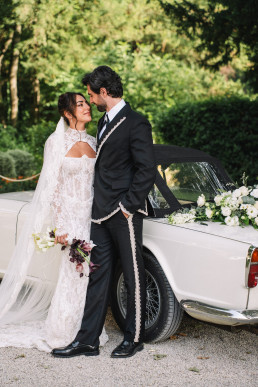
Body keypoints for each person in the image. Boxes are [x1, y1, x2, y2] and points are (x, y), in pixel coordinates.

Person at [52, 66, 156, 359]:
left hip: (123, 213)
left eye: (91, 94)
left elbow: (146, 169)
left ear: (104, 92)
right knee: (97, 277)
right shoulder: (102, 122)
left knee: (134, 276)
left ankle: (134, 338)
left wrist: (128, 208)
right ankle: (87, 341)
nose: (89, 98)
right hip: (98, 214)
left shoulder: (136, 122)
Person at [0, 92, 108, 351]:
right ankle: (63, 331)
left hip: (91, 217)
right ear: (68, 113)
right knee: (72, 273)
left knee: (88, 275)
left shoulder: (94, 141)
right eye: (80, 105)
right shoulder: (55, 142)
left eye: (86, 103)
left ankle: (88, 329)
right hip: (69, 217)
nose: (87, 108)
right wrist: (59, 226)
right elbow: (52, 187)